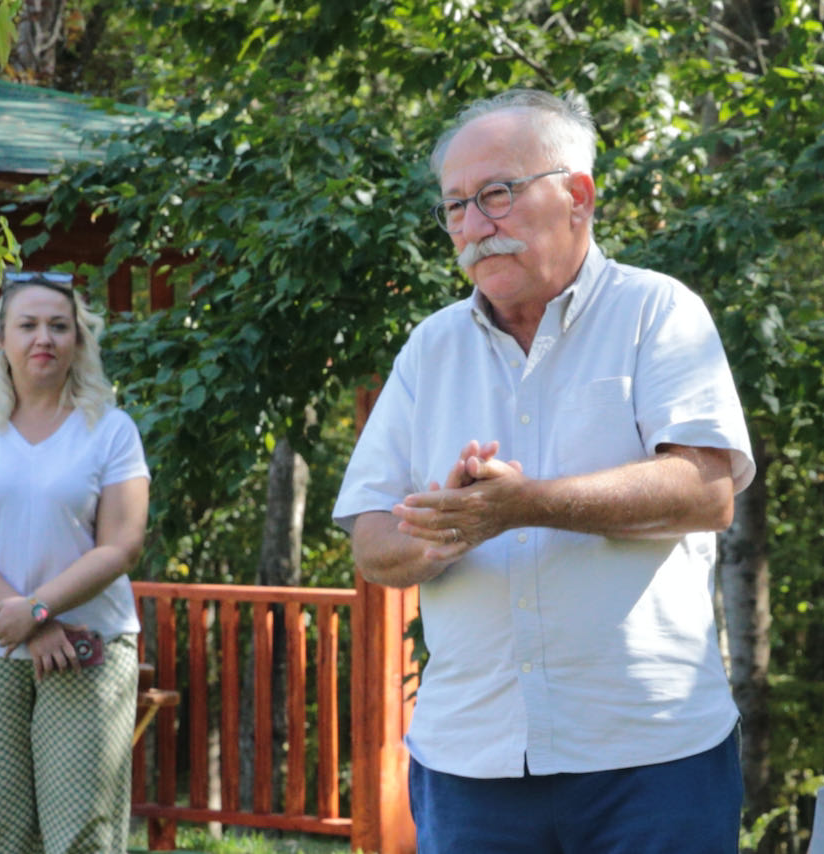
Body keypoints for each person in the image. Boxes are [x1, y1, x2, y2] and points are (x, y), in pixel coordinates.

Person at [332, 89, 756, 853]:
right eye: (455, 207)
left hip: (651, 756)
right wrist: (449, 527)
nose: (472, 227)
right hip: (473, 761)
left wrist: (524, 505)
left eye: (495, 195)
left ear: (579, 197)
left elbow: (706, 489)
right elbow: (370, 544)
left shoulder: (657, 312)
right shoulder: (430, 350)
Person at [0, 270, 150, 853]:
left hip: (88, 648)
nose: (42, 338)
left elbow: (122, 545)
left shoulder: (112, 431)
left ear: (79, 341)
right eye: (27, 325)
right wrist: (32, 622)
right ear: (1, 340)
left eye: (58, 325)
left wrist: (40, 609)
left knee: (82, 832)